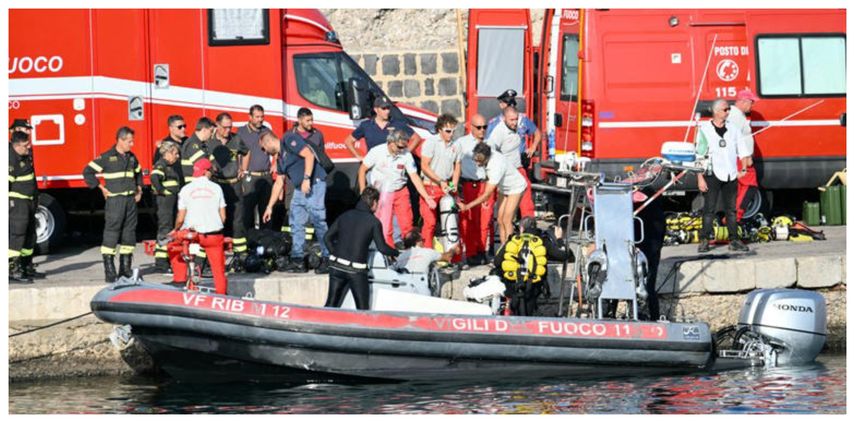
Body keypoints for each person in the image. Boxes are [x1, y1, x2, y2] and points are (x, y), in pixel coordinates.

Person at [260, 109, 330, 274]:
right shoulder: (279, 159)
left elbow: (309, 155)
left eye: (263, 148)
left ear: (268, 141)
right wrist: (270, 206)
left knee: (318, 220)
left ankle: (327, 258)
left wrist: (306, 179)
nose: (264, 152)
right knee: (296, 221)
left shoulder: (288, 139)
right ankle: (298, 259)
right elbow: (278, 183)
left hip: (314, 183)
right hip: (300, 189)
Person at [323, 187, 399, 310]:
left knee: (331, 304)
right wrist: (396, 252)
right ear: (374, 202)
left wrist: (335, 253)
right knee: (362, 309)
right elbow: (383, 248)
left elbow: (327, 238)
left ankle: (321, 324)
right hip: (356, 271)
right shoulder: (374, 222)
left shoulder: (345, 215)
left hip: (336, 266)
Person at [83, 127, 143, 282]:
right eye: (130, 141)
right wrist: (100, 187)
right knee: (112, 232)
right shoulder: (107, 157)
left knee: (129, 234)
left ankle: (125, 269)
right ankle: (109, 270)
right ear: (120, 140)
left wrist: (139, 189)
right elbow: (87, 171)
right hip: (115, 200)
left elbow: (138, 172)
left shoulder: (131, 157)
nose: (132, 144)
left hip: (130, 200)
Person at [358, 130, 437, 247]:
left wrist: (426, 197)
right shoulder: (376, 151)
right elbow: (362, 170)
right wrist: (363, 193)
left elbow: (414, 176)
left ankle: (413, 253)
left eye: (404, 147)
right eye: (400, 147)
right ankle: (389, 254)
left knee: (407, 225)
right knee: (385, 226)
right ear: (391, 142)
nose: (402, 150)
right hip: (382, 193)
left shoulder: (406, 154)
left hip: (400, 191)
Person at [696, 98, 750, 253]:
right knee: (709, 209)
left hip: (731, 174)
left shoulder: (733, 129)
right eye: (725, 109)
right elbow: (699, 155)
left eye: (728, 110)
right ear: (716, 111)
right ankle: (705, 240)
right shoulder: (704, 130)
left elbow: (743, 150)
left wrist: (744, 169)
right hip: (712, 173)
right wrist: (700, 178)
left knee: (731, 210)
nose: (728, 112)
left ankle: (734, 240)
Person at [171, 158, 228, 295]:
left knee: (173, 247)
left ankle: (182, 282)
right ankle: (222, 296)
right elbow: (223, 217)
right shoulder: (217, 188)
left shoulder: (185, 189)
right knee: (218, 270)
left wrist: (175, 230)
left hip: (192, 236)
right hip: (214, 235)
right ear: (206, 172)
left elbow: (180, 218)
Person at [485, 89, 541, 218]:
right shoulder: (494, 124)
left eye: (513, 103)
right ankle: (492, 231)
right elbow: (489, 147)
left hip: (518, 165)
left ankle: (527, 228)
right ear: (501, 105)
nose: (511, 105)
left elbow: (537, 133)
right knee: (496, 201)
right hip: (501, 166)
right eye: (508, 103)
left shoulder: (522, 120)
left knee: (525, 197)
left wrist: (532, 147)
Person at [457, 142, 526, 245]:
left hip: (516, 187)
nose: (477, 163)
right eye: (475, 160)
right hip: (504, 187)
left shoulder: (495, 167)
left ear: (486, 157)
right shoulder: (488, 153)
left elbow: (486, 195)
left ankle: (511, 250)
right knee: (500, 220)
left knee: (507, 220)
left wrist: (467, 206)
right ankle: (503, 248)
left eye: (479, 161)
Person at [209, 112, 249, 264]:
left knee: (238, 219)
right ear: (217, 126)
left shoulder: (236, 139)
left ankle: (240, 255)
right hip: (217, 184)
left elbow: (246, 153)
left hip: (234, 183)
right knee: (218, 220)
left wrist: (243, 169)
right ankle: (217, 254)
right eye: (225, 127)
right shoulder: (210, 142)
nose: (228, 131)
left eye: (230, 127)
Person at [419, 113, 462, 249]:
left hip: (446, 186)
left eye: (453, 131)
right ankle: (426, 254)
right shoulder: (431, 142)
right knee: (430, 222)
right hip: (430, 186)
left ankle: (453, 255)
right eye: (448, 131)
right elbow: (424, 166)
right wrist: (440, 181)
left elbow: (457, 165)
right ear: (439, 130)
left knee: (452, 221)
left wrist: (454, 183)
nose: (451, 134)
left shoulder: (456, 145)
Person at [457, 113, 495, 266]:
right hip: (469, 184)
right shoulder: (461, 143)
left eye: (485, 127)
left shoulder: (490, 142)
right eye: (478, 127)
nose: (482, 130)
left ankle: (481, 250)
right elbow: (455, 164)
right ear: (470, 127)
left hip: (486, 184)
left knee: (485, 221)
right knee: (469, 220)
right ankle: (472, 252)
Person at [9, 129, 44, 283]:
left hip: (29, 200)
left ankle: (25, 266)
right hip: (18, 203)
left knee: (30, 235)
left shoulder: (25, 155)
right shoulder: (10, 160)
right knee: (18, 235)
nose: (28, 147)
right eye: (25, 145)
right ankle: (12, 270)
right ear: (16, 146)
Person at [343, 97, 420, 161]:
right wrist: (358, 156)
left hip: (393, 167)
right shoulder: (366, 125)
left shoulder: (398, 124)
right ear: (376, 110)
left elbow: (416, 138)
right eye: (383, 108)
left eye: (388, 108)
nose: (387, 111)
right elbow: (348, 141)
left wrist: (405, 154)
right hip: (374, 167)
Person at [238, 105, 276, 231]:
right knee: (247, 213)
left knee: (266, 211)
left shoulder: (267, 130)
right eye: (257, 117)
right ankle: (249, 240)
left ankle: (267, 240)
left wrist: (275, 163)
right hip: (249, 177)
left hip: (266, 177)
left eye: (262, 117)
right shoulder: (241, 132)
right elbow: (236, 153)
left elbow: (277, 148)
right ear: (250, 117)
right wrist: (240, 173)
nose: (260, 120)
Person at [150, 141, 182, 273]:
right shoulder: (161, 164)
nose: (177, 156)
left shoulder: (169, 166)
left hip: (170, 200)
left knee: (170, 229)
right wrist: (163, 191)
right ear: (167, 153)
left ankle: (167, 259)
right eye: (175, 153)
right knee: (165, 228)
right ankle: (161, 262)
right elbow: (154, 177)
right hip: (165, 202)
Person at [730, 88, 760, 221]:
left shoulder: (738, 115)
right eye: (751, 102)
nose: (752, 105)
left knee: (740, 190)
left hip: (739, 159)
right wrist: (745, 158)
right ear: (743, 101)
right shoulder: (735, 116)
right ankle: (735, 219)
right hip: (741, 160)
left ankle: (731, 220)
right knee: (749, 187)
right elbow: (733, 139)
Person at [393, 230, 459, 274]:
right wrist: (453, 249)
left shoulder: (400, 257)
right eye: (423, 240)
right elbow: (448, 257)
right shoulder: (427, 252)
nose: (424, 242)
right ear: (418, 242)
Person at [153, 115, 187, 184]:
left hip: (188, 184)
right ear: (171, 128)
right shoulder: (164, 146)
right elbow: (157, 167)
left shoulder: (188, 142)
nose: (183, 129)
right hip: (174, 186)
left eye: (184, 126)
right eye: (179, 127)